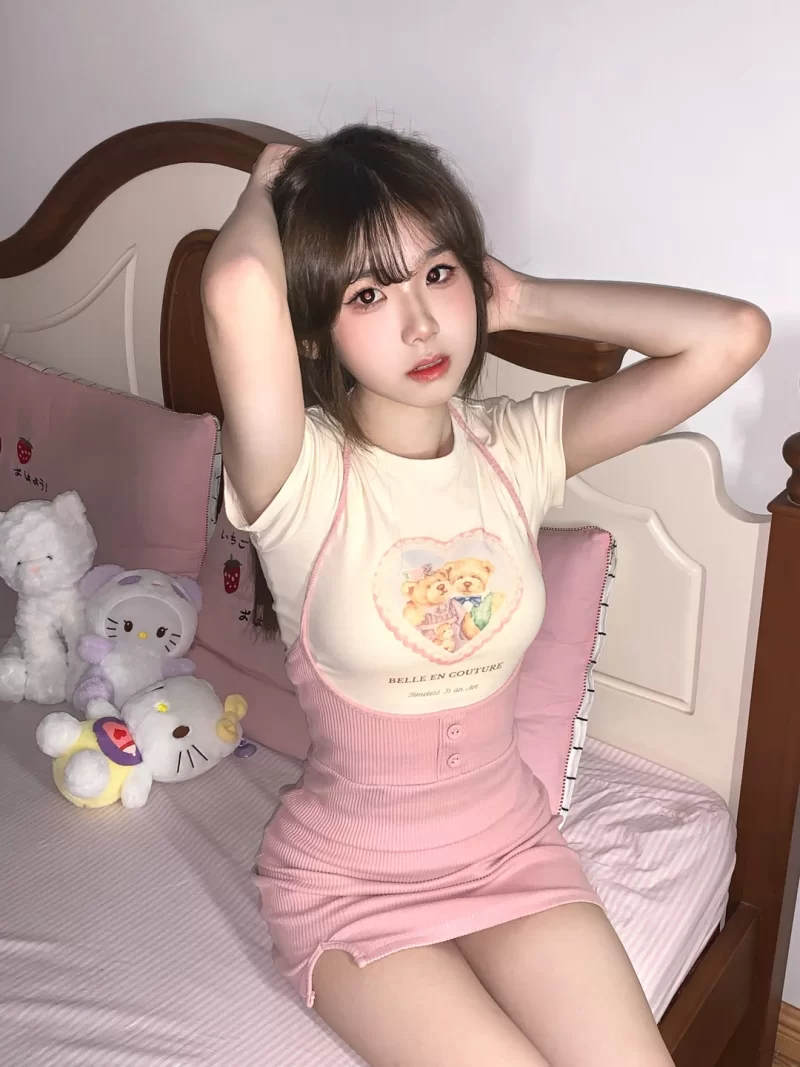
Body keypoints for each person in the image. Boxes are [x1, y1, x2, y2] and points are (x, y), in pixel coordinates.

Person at [200, 124, 769, 1067]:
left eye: (438, 274)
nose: (421, 325)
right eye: (368, 294)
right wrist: (266, 182)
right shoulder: (299, 474)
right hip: (351, 884)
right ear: (314, 329)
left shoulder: (516, 447)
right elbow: (236, 288)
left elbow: (733, 336)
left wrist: (526, 300)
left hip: (511, 851)